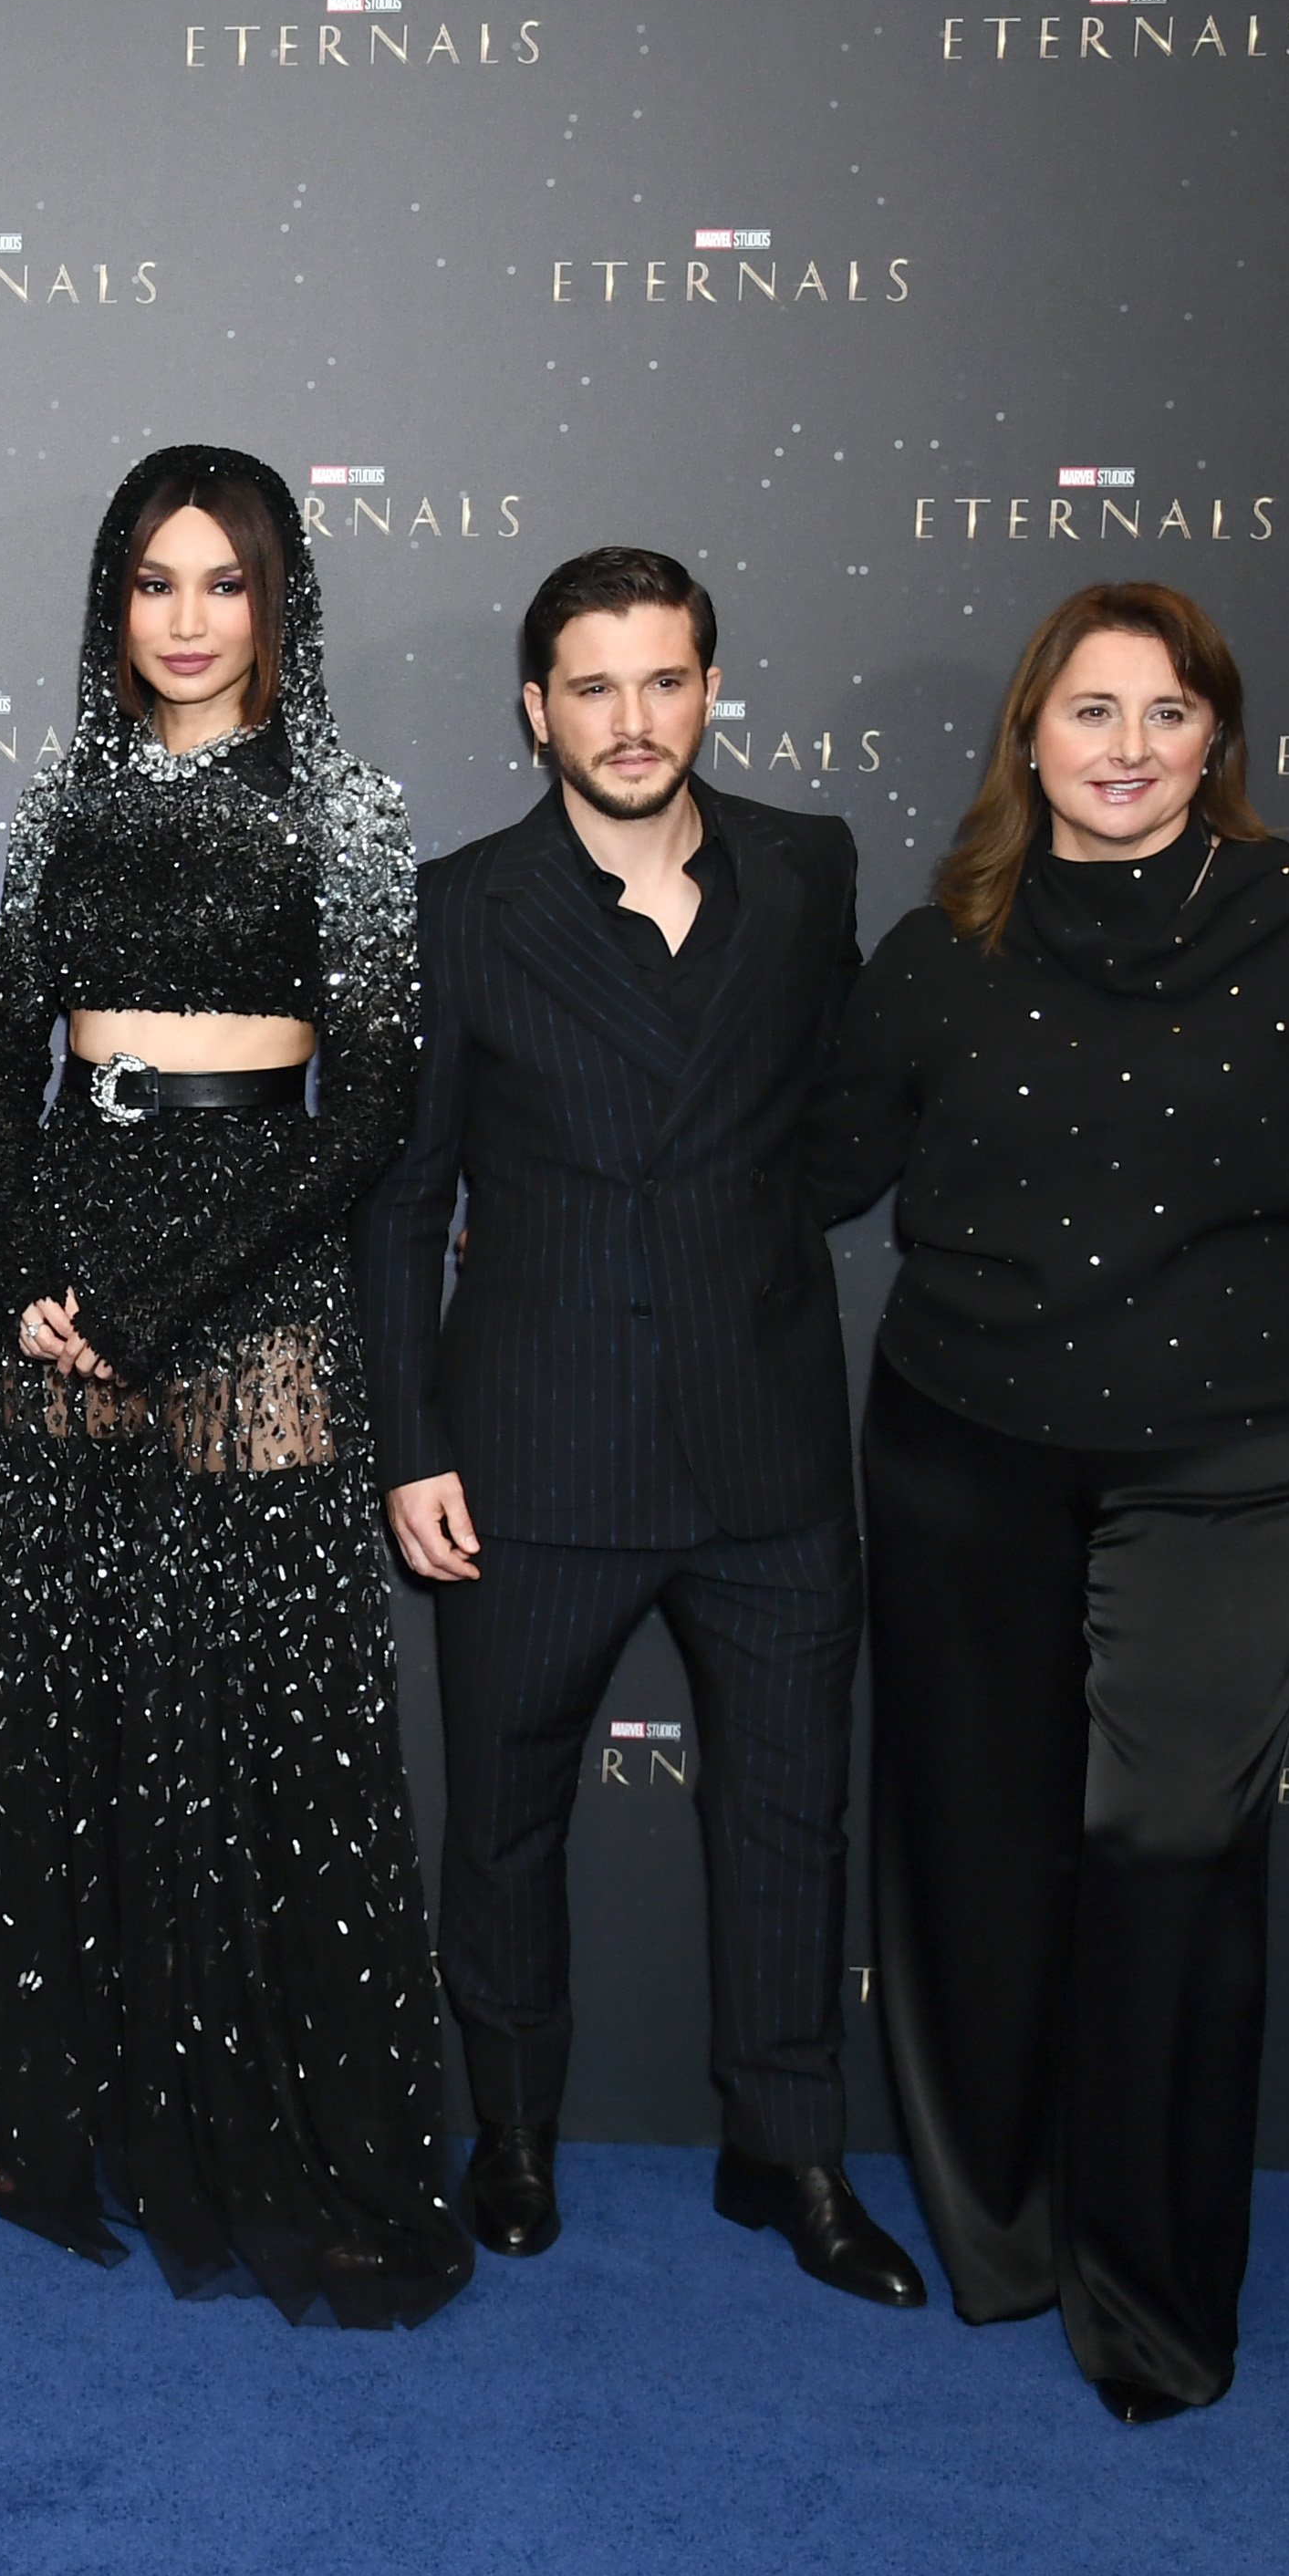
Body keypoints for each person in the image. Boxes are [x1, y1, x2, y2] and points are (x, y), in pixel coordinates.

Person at [805, 582, 1289, 2423]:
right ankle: (1003, 2236)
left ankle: (1152, 2294)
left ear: (1212, 739)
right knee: (970, 1850)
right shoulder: (941, 948)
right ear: (1027, 740)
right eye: (1087, 712)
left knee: (1163, 1853)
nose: (1123, 748)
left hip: (1235, 1468)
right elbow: (812, 1167)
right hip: (959, 1447)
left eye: (1162, 713)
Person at [0, 444, 471, 2328]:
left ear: (275, 602)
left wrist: (155, 1298)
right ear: (112, 604)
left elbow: (371, 1106)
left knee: (262, 1706)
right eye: (152, 583)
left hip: (252, 1275)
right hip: (68, 1279)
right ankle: (69, 2108)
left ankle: (273, 2128)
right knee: (68, 1687)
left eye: (221, 582)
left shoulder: (345, 808)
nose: (184, 619)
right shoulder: (57, 804)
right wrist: (32, 1275)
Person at [354, 548, 921, 2307]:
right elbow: (403, 1199)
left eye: (662, 680)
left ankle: (788, 2151)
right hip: (533, 1441)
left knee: (789, 1815)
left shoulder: (807, 868)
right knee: (504, 1817)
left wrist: (738, 1228)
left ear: (709, 689)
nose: (630, 719)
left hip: (765, 1442)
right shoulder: (458, 907)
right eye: (591, 687)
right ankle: (513, 2133)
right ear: (535, 710)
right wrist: (410, 1439)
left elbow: (845, 1115)